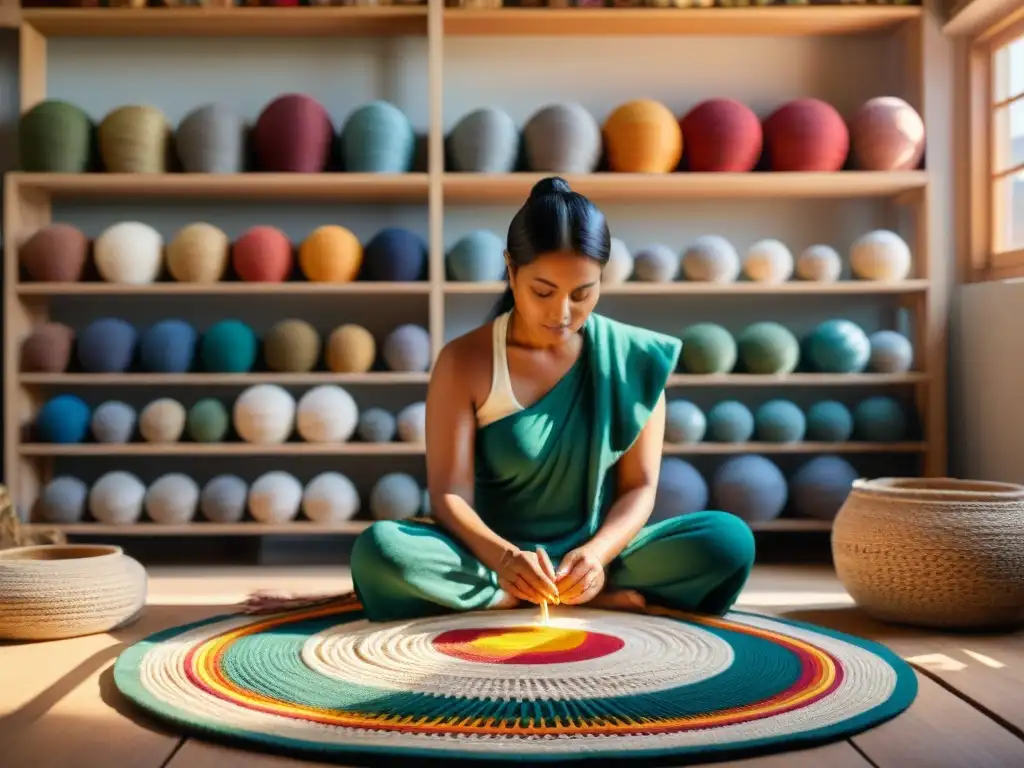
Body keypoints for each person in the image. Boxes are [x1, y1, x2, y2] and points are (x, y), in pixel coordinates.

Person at [347, 177, 756, 622]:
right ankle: (521, 596)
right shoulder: (465, 360)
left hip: (597, 562)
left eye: (583, 293)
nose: (562, 313)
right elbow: (450, 495)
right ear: (511, 270)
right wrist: (505, 562)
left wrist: (596, 556)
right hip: (489, 560)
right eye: (543, 291)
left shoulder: (632, 358)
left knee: (727, 540)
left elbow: (639, 487)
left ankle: (577, 592)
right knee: (381, 550)